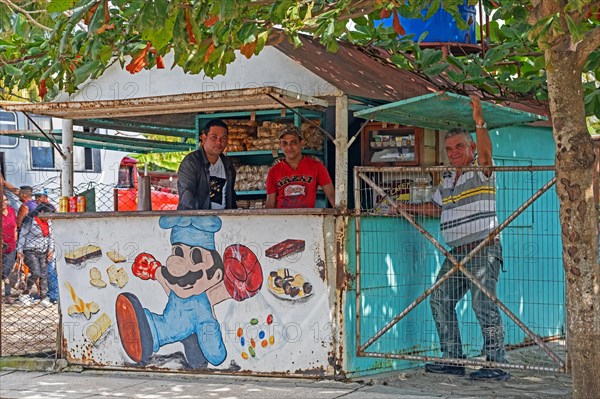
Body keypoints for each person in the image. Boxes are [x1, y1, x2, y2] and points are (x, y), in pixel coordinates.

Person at [398, 96, 509, 380]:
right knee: (440, 298)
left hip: (483, 249)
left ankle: (497, 363)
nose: (454, 151)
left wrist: (479, 121)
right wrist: (403, 207)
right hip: (457, 251)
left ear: (471, 147)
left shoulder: (481, 170)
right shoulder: (447, 178)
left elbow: (487, 154)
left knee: (483, 305)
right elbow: (435, 208)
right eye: (449, 148)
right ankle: (453, 359)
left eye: (460, 146)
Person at [265, 126, 335, 208]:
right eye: (284, 143)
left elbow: (332, 196)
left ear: (302, 143)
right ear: (280, 145)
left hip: (307, 218)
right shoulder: (274, 171)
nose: (289, 147)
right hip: (282, 219)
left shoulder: (317, 167)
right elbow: (270, 203)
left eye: (293, 142)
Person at [177, 119, 237, 210]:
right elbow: (187, 198)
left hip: (223, 220)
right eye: (214, 137)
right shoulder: (191, 162)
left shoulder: (228, 165)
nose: (219, 142)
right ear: (204, 138)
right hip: (197, 221)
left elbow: (230, 198)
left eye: (223, 138)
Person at [16, 201, 55, 307]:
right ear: (42, 212)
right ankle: (24, 293)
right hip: (30, 250)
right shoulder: (30, 221)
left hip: (44, 251)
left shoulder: (49, 222)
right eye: (47, 215)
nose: (49, 218)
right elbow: (22, 236)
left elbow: (51, 237)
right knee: (36, 273)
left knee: (44, 275)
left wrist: (51, 250)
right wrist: (19, 251)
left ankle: (43, 298)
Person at [2, 194, 18, 304]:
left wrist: (15, 239)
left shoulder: (11, 210)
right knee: (3, 271)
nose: (4, 202)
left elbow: (15, 226)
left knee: (7, 270)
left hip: (11, 246)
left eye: (5, 200)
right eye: (2, 200)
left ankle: (7, 295)